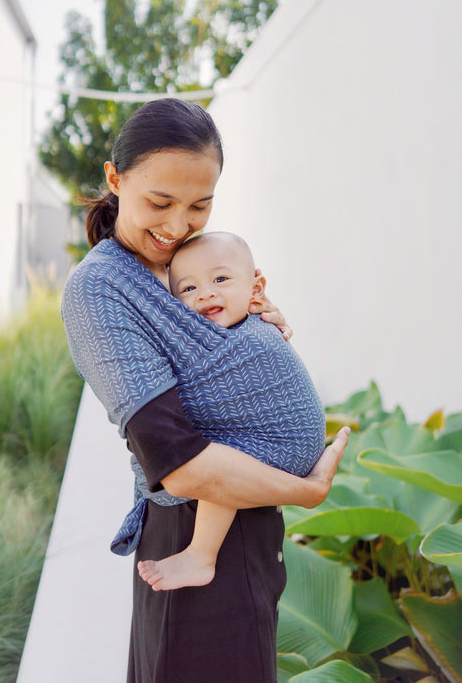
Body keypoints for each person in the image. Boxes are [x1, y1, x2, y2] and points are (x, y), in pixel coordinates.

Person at [61, 98, 350, 683]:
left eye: (200, 204)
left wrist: (258, 326)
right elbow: (177, 464)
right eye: (159, 203)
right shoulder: (99, 291)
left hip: (248, 518)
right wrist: (306, 491)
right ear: (116, 180)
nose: (176, 225)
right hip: (190, 528)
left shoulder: (185, 263)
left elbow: (226, 344)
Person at [137, 230, 326, 593]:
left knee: (216, 463)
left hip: (288, 442)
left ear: (256, 287)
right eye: (188, 289)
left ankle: (201, 557)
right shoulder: (245, 325)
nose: (205, 293)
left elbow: (193, 393)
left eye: (220, 279)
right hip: (293, 439)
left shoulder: (250, 336)